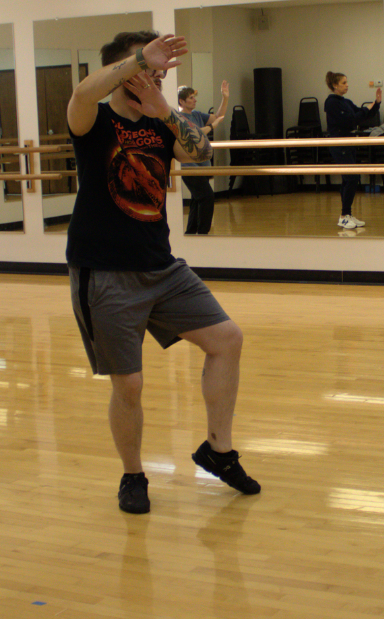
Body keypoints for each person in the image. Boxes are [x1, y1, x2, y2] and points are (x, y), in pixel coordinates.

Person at [66, 31, 260, 514]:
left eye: (158, 75)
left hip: (162, 266)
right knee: (129, 384)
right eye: (146, 73)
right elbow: (83, 93)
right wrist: (137, 60)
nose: (155, 80)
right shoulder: (93, 119)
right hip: (105, 272)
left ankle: (218, 452)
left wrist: (166, 111)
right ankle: (133, 475)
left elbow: (201, 152)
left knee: (227, 340)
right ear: (121, 72)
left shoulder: (159, 122)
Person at [323, 71, 382, 231]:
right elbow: (350, 121)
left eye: (347, 82)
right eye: (343, 83)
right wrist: (365, 110)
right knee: (351, 178)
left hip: (349, 143)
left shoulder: (346, 102)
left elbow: (362, 115)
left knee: (348, 179)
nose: (347, 85)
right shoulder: (331, 103)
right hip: (339, 145)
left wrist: (376, 104)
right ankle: (344, 216)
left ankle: (347, 214)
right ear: (335, 85)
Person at [177, 81, 229, 234]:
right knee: (207, 197)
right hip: (189, 167)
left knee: (197, 199)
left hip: (203, 165)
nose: (195, 100)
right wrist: (212, 127)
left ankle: (191, 233)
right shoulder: (178, 117)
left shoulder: (197, 115)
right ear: (181, 101)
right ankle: (203, 233)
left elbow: (219, 116)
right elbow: (194, 134)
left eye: (194, 97)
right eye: (191, 98)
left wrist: (225, 98)